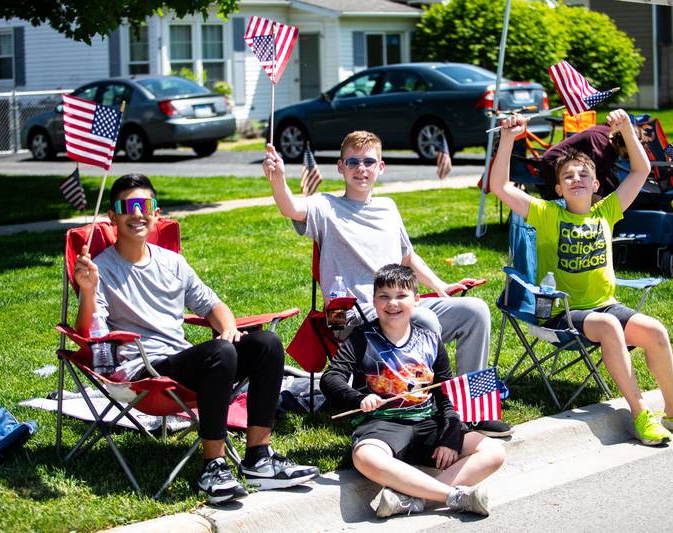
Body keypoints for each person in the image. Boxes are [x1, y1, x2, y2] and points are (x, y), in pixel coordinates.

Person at [74, 174, 318, 504]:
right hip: (144, 373)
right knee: (220, 353)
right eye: (127, 206)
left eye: (144, 205)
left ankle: (259, 458)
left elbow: (212, 305)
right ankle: (213, 467)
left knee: (266, 345)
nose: (137, 213)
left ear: (156, 213)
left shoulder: (173, 263)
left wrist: (228, 326)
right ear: (112, 217)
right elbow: (90, 332)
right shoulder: (101, 269)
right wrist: (87, 291)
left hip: (184, 363)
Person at [489, 111, 673, 446]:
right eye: (568, 176)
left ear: (596, 184)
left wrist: (626, 130)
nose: (577, 178)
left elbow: (641, 170)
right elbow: (500, 186)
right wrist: (508, 139)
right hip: (560, 313)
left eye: (584, 174)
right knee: (610, 328)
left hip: (604, 307)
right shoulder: (546, 213)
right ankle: (640, 413)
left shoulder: (606, 211)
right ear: (557, 188)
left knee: (655, 331)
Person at [263, 131, 511, 437]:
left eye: (369, 161)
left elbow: (407, 256)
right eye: (353, 161)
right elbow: (290, 207)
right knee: (422, 318)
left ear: (380, 167)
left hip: (398, 303)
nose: (361, 168)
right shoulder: (325, 206)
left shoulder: (389, 208)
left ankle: (472, 408)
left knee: (475, 311)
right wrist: (278, 178)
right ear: (340, 167)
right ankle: (428, 408)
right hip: (352, 315)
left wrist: (440, 284)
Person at [320, 264, 505, 518]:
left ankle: (411, 500)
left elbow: (445, 392)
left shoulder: (430, 339)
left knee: (494, 451)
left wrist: (450, 436)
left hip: (428, 422)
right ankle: (453, 496)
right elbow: (331, 378)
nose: (392, 303)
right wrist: (360, 398)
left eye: (401, 296)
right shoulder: (360, 338)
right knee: (365, 458)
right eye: (383, 296)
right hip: (382, 426)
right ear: (373, 301)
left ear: (417, 300)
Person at [539, 123, 631, 199]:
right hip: (553, 163)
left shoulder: (610, 132)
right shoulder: (603, 150)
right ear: (619, 143)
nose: (627, 158)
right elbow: (597, 184)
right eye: (627, 155)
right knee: (565, 200)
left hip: (569, 160)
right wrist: (594, 214)